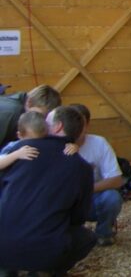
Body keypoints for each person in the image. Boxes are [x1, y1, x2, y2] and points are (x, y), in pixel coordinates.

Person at [0, 106, 95, 274]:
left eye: (47, 120)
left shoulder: (19, 151)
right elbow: (78, 217)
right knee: (87, 237)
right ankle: (49, 270)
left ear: (57, 126)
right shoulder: (81, 166)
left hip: (4, 242)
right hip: (45, 248)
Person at [72, 104, 124, 246]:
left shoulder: (99, 143)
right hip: (66, 200)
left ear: (87, 125)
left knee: (112, 197)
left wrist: (85, 189)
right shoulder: (57, 145)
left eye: (79, 125)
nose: (75, 130)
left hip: (92, 198)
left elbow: (116, 180)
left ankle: (104, 232)